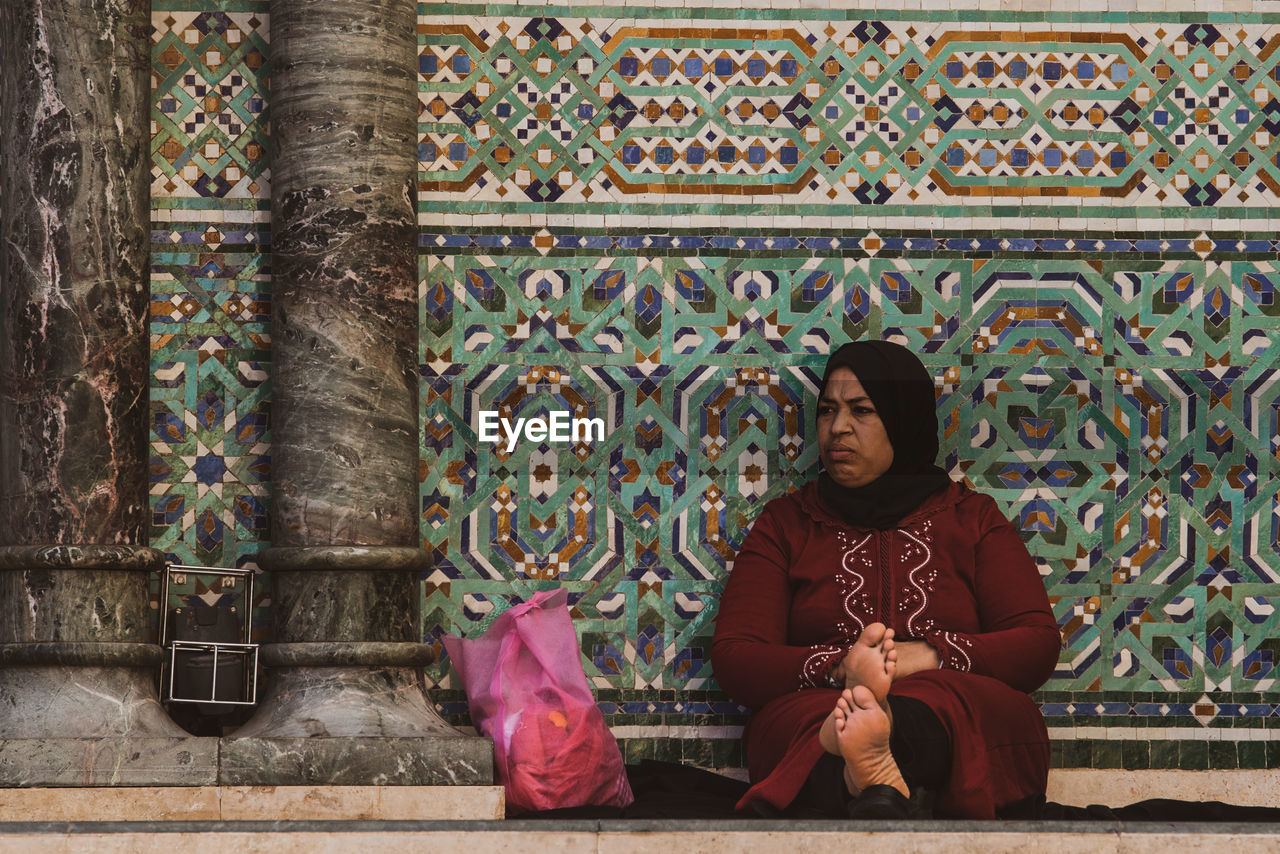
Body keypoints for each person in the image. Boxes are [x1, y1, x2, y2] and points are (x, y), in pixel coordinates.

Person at [710, 340, 1062, 819]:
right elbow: (736, 657)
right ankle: (868, 763)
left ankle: (868, 759)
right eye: (828, 410)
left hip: (950, 702)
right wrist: (841, 670)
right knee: (816, 721)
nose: (838, 428)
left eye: (862, 411)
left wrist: (931, 657)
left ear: (903, 419)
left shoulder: (972, 518)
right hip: (819, 707)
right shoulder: (787, 524)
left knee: (949, 705)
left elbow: (1037, 644)